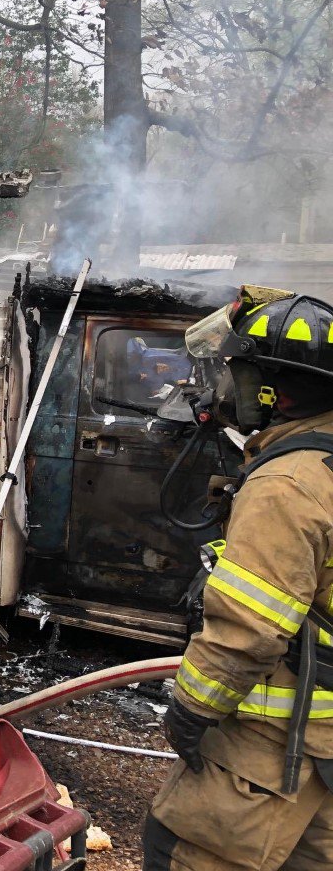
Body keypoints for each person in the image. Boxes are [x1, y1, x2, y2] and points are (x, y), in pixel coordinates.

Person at [145, 290, 333, 870]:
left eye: (236, 371)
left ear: (273, 387)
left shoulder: (289, 484)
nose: (224, 387)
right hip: (324, 754)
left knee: (178, 848)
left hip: (281, 743)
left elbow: (248, 630)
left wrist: (191, 711)